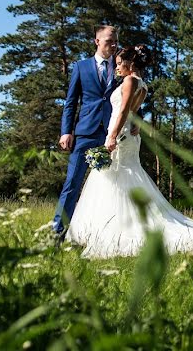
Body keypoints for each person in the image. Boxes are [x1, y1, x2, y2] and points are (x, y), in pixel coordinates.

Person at [67, 44, 193, 257]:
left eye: (121, 64)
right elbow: (133, 111)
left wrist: (112, 135)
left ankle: (119, 229)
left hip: (120, 134)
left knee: (114, 178)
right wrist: (134, 123)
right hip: (128, 133)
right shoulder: (142, 83)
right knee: (122, 178)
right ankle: (112, 225)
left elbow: (123, 110)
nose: (118, 68)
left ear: (131, 63)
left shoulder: (130, 80)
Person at [54, 25, 120, 237]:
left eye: (115, 41)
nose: (113, 44)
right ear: (97, 41)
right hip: (85, 132)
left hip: (111, 134)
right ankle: (58, 233)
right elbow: (71, 102)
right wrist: (66, 131)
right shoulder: (81, 67)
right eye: (109, 41)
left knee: (111, 187)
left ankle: (104, 236)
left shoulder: (121, 68)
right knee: (72, 184)